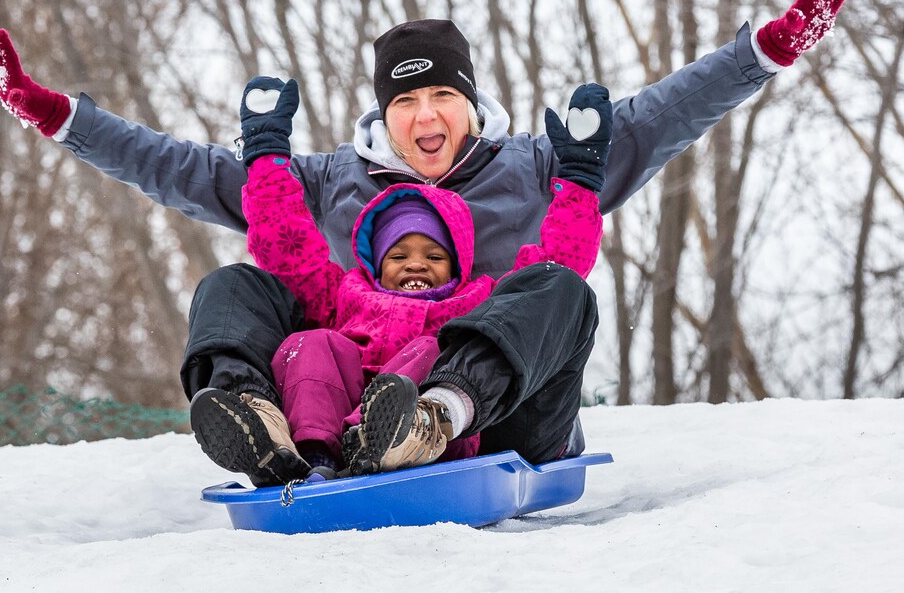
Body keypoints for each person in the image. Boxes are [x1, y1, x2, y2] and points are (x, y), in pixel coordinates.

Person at [0, 0, 856, 473]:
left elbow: (662, 115)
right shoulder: (333, 181)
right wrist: (63, 116)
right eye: (407, 103)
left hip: (508, 422)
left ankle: (437, 414)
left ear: (469, 102)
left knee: (559, 288)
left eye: (443, 94)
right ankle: (262, 423)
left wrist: (764, 49)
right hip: (360, 412)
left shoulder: (538, 166)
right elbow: (181, 168)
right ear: (383, 116)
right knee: (238, 283)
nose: (426, 116)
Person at [188, 77, 611, 486]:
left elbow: (561, 261)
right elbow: (288, 246)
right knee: (244, 294)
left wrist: (580, 180)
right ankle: (260, 423)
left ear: (457, 266)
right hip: (334, 447)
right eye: (398, 256)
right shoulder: (345, 298)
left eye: (434, 256)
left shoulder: (478, 302)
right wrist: (266, 159)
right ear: (373, 263)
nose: (416, 266)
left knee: (555, 285)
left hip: (470, 433)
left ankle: (429, 419)